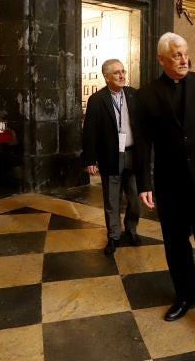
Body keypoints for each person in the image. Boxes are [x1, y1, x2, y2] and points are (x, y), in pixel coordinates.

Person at [135, 33, 195, 334]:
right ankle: (187, 296)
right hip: (169, 184)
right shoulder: (147, 95)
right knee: (176, 247)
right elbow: (142, 143)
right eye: (177, 55)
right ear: (162, 59)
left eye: (186, 53)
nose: (183, 59)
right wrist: (144, 183)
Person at [81, 59, 142, 255]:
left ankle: (131, 230)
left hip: (133, 153)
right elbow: (89, 131)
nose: (122, 75)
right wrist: (90, 159)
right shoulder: (97, 100)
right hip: (110, 155)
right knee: (112, 199)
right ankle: (114, 236)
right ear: (106, 77)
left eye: (123, 71)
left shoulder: (133, 94)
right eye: (117, 73)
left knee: (134, 198)